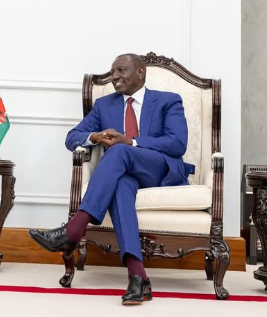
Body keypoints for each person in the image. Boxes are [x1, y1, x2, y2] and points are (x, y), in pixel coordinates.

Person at [28, 53, 194, 305]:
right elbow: (72, 137)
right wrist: (95, 136)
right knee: (121, 186)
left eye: (121, 70)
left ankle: (74, 228)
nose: (114, 76)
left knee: (119, 150)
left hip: (159, 169)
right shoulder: (105, 105)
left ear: (140, 72)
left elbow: (177, 143)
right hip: (123, 173)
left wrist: (130, 141)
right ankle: (138, 278)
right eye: (113, 71)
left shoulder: (167, 101)